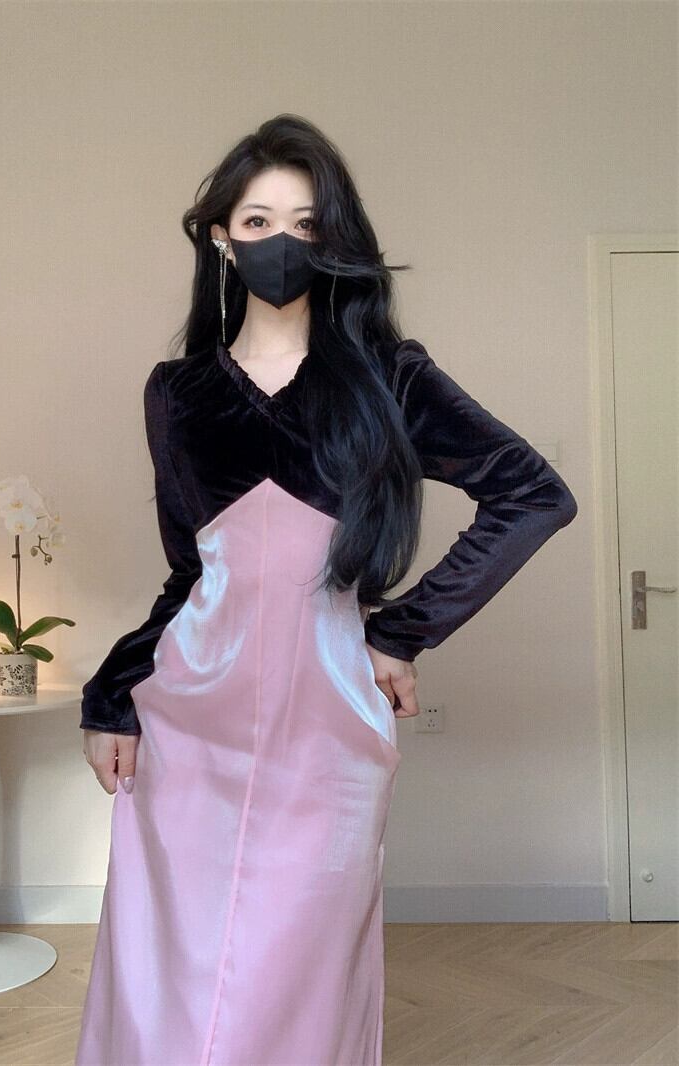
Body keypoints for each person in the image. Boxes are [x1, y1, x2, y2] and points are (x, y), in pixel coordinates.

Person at [74, 114, 578, 1066]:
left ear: (335, 238)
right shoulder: (177, 393)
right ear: (221, 238)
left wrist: (401, 632)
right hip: (189, 716)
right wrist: (112, 696)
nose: (281, 243)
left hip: (329, 719)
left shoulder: (389, 376)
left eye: (306, 223)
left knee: (295, 970)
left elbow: (533, 495)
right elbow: (191, 572)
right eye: (258, 221)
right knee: (169, 967)